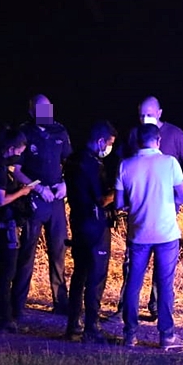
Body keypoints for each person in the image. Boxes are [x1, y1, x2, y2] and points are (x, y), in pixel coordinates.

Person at [117, 96, 183, 320]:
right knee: (142, 272)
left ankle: (144, 318)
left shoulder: (176, 135)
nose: (145, 118)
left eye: (150, 114)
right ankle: (137, 316)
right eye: (141, 114)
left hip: (162, 213)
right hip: (143, 216)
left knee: (153, 274)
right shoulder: (135, 135)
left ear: (160, 112)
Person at [14, 94, 72, 317]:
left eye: (48, 108)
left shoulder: (60, 131)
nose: (46, 113)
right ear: (31, 112)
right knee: (27, 252)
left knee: (58, 251)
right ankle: (17, 304)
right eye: (40, 109)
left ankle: (61, 303)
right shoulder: (24, 133)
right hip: (34, 200)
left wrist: (65, 184)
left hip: (56, 200)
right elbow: (17, 171)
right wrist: (38, 188)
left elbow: (70, 162)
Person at [63, 121, 117, 343]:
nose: (109, 148)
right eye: (110, 144)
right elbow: (101, 199)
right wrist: (118, 192)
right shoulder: (92, 164)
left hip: (77, 221)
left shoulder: (73, 160)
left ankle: (73, 325)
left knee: (79, 274)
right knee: (96, 277)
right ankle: (92, 328)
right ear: (101, 141)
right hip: (94, 225)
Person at [0, 127, 38, 334]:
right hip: (5, 223)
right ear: (11, 148)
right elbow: (0, 200)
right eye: (19, 150)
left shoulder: (1, 165)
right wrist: (23, 191)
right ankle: (4, 319)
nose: (20, 155)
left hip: (5, 222)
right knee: (6, 271)